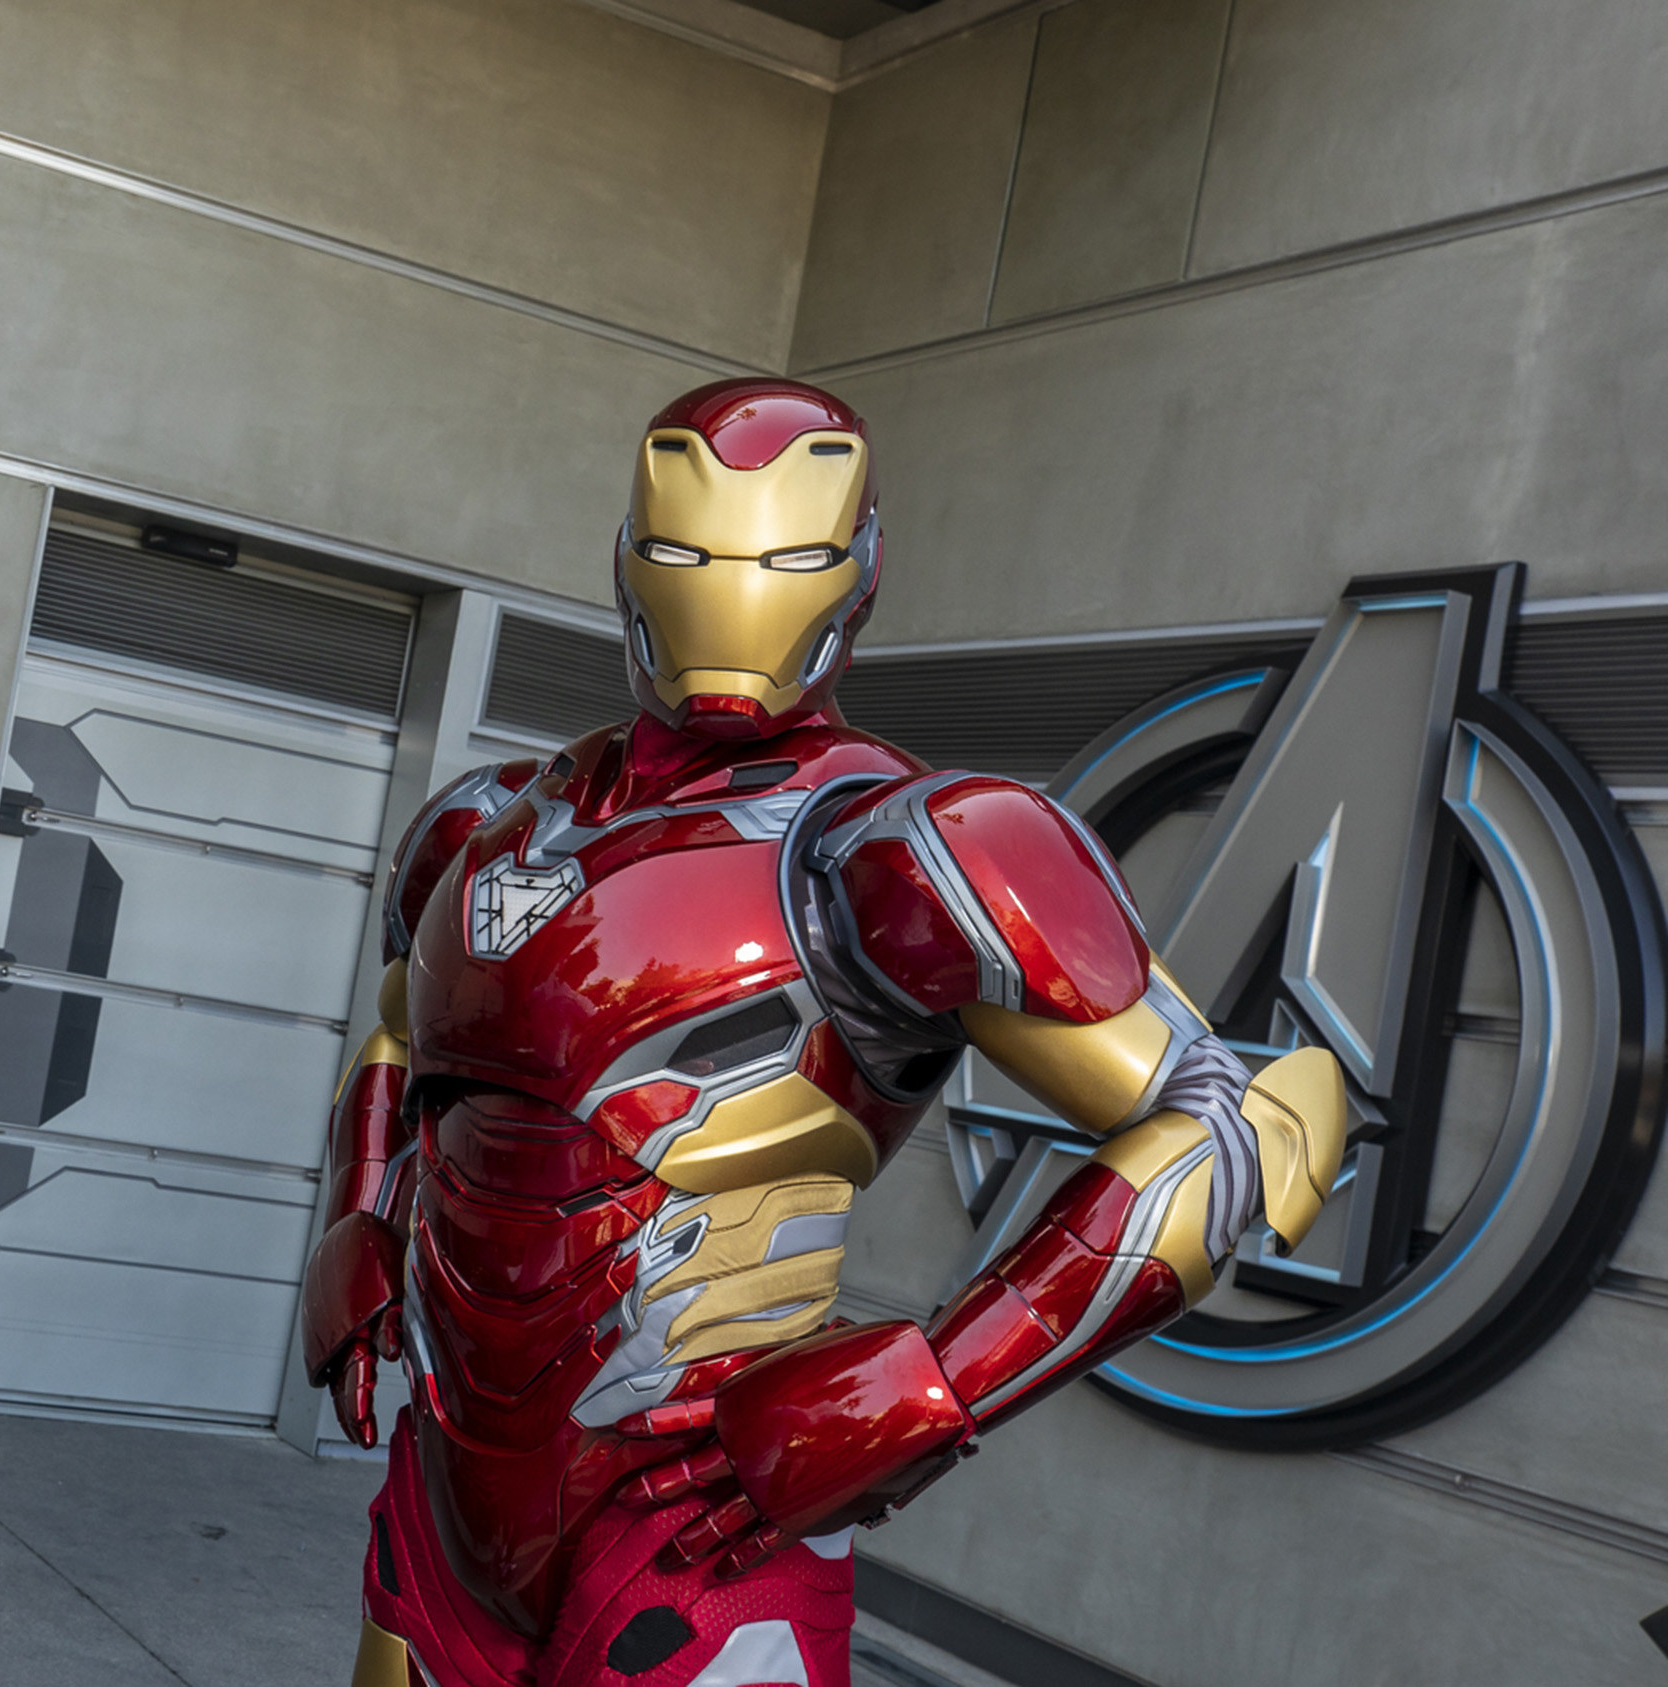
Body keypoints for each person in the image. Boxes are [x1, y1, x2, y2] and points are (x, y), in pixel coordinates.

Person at [297, 377, 1345, 1686]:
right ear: (629, 558)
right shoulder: (485, 825)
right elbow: (404, 1042)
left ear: (857, 569)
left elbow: (1225, 1123)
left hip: (702, 1520)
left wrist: (924, 1388)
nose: (728, 591)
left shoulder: (902, 848)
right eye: (685, 552)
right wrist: (361, 1224)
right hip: (449, 1496)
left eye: (785, 556)